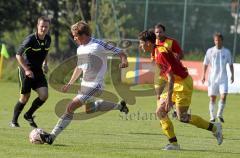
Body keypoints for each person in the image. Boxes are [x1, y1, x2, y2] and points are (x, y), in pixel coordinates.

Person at [40, 20, 129, 145]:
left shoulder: (98, 45)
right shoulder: (80, 49)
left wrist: (124, 60)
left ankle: (52, 136)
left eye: (76, 36)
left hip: (96, 84)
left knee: (70, 107)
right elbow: (79, 67)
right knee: (90, 109)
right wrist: (70, 83)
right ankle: (120, 106)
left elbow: (120, 51)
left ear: (84, 35)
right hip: (85, 84)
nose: (75, 38)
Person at [138, 30, 223, 150]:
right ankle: (173, 144)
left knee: (181, 117)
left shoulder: (160, 53)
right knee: (160, 112)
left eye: (141, 43)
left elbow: (171, 77)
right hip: (175, 83)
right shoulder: (155, 52)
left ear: (148, 43)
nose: (140, 46)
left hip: (183, 83)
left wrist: (168, 98)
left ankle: (215, 128)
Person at [10, 16, 51, 128]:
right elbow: (18, 55)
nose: (44, 29)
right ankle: (13, 121)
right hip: (25, 70)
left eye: (46, 27)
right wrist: (27, 70)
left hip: (38, 71)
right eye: (42, 26)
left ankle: (28, 114)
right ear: (37, 26)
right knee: (25, 97)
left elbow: (46, 52)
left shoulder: (48, 38)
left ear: (48, 27)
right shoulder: (30, 39)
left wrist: (45, 64)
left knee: (44, 95)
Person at [202, 33, 234, 123]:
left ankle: (219, 114)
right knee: (212, 98)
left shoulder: (227, 52)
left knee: (223, 96)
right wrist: (203, 75)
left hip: (223, 78)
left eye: (219, 40)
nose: (217, 42)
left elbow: (231, 64)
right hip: (212, 78)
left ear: (222, 41)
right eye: (216, 40)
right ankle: (212, 117)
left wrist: (232, 75)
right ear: (214, 41)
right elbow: (205, 63)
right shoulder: (210, 51)